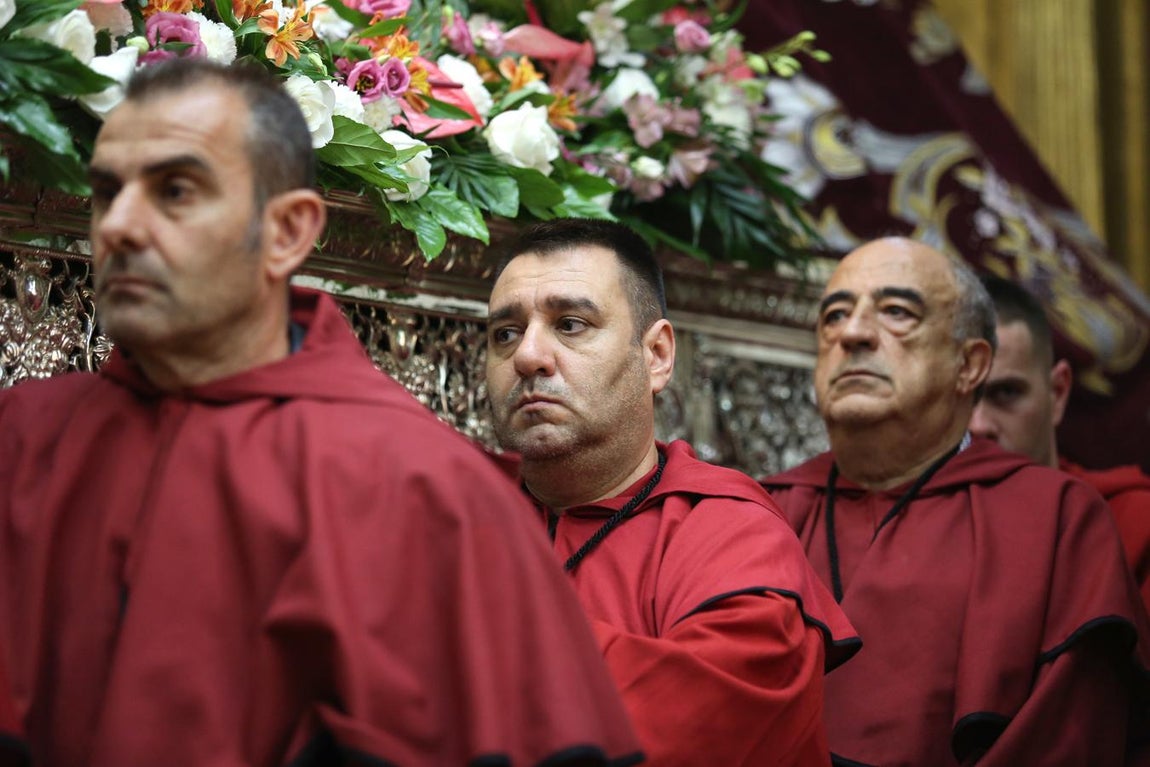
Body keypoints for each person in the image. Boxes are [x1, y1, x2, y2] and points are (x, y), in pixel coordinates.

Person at [0, 59, 643, 766]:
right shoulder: (22, 440)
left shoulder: (427, 486)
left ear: (287, 232)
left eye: (175, 190)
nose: (118, 226)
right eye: (105, 192)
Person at [484, 218, 861, 767]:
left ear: (656, 355)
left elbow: (708, 726)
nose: (527, 356)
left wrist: (470, 635)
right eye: (505, 333)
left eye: (570, 324)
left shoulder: (727, 530)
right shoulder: (456, 513)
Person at [760, 237, 1150, 766]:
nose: (851, 334)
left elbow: (1069, 732)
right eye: (833, 316)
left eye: (896, 312)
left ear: (969, 365)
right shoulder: (759, 514)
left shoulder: (1055, 516)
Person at [970, 275, 1150, 611]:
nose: (979, 425)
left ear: (1057, 394)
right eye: (961, 399)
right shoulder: (911, 535)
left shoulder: (1132, 524)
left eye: (1006, 393)